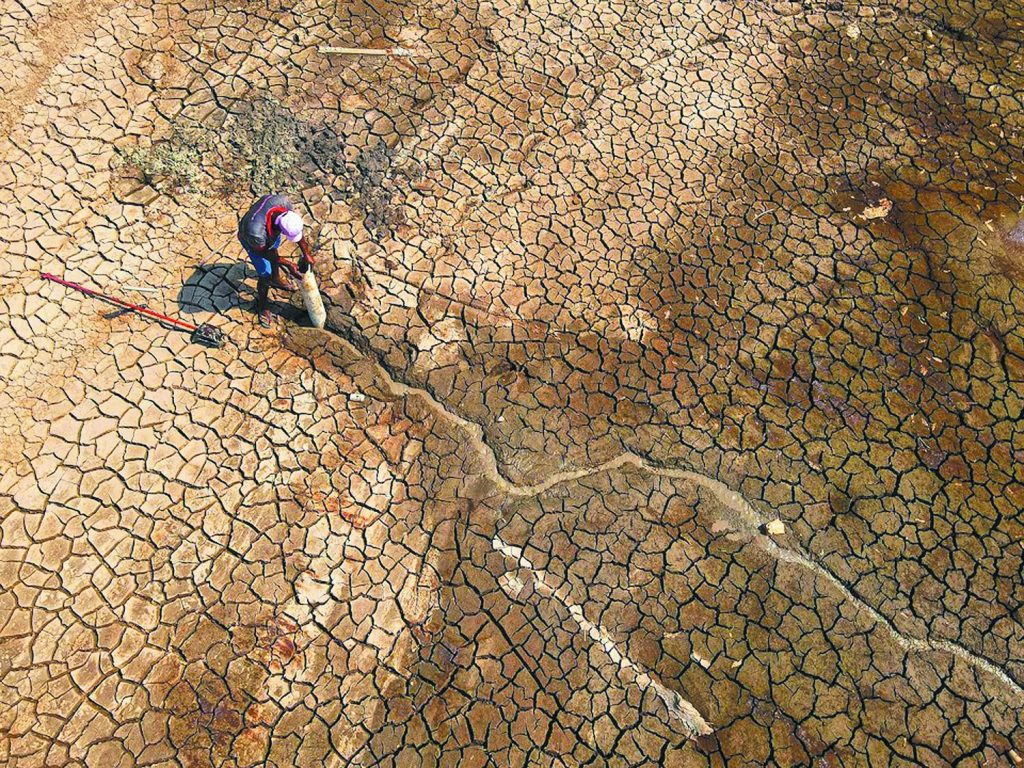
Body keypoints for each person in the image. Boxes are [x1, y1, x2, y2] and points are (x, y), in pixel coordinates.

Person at [237, 194, 315, 326]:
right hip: (252, 242)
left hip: (267, 234)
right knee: (265, 275)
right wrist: (288, 264)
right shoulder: (255, 232)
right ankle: (262, 306)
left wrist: (306, 253)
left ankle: (276, 279)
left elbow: (277, 246)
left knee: (274, 249)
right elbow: (262, 252)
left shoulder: (284, 203)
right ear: (279, 227)